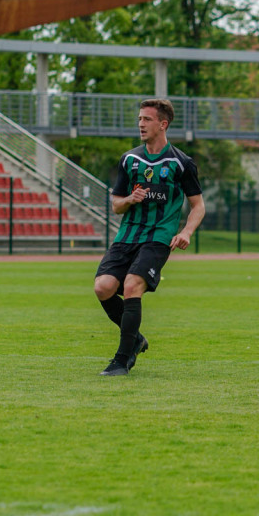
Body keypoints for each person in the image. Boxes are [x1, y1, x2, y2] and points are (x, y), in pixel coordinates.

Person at [93, 99, 205, 377]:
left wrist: (186, 232)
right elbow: (116, 205)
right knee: (103, 288)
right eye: (139, 119)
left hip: (158, 237)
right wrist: (130, 198)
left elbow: (198, 205)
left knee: (132, 286)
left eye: (147, 119)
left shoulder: (181, 163)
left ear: (163, 124)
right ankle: (137, 339)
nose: (141, 124)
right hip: (127, 235)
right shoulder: (129, 160)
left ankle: (122, 358)